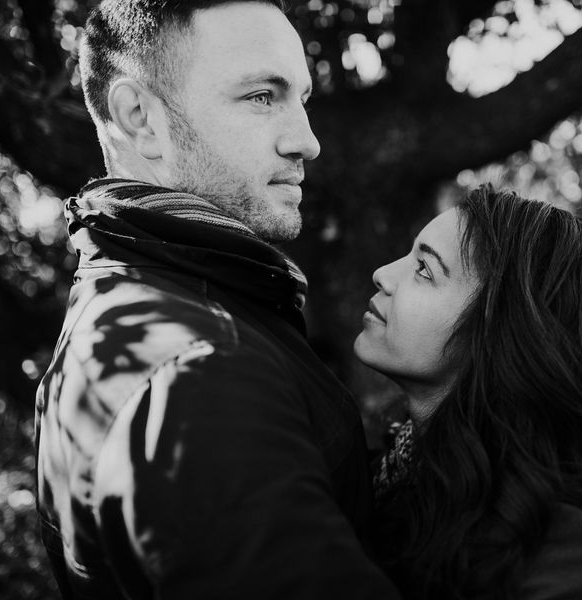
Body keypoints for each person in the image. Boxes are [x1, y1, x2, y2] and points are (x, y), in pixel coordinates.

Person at [34, 1, 399, 598]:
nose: (307, 143)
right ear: (140, 118)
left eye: (301, 98)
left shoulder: (136, 308)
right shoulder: (196, 372)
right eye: (262, 96)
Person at [355, 185, 582, 599]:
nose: (383, 274)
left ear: (506, 334)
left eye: (424, 269)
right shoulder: (386, 461)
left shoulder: (562, 546)